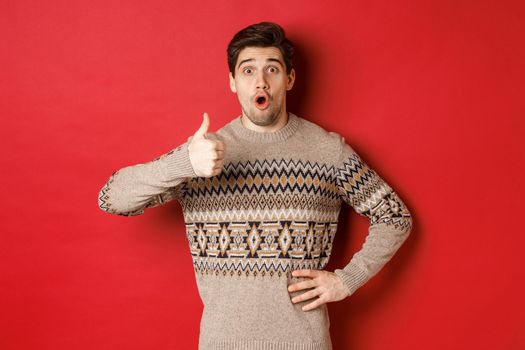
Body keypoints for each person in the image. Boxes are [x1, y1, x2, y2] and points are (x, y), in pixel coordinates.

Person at [98, 21, 413, 350]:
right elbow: (112, 198)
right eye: (247, 71)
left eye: (272, 69)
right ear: (233, 82)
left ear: (288, 79)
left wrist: (347, 280)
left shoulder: (327, 152)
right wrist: (184, 163)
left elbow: (394, 217)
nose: (260, 81)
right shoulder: (203, 154)